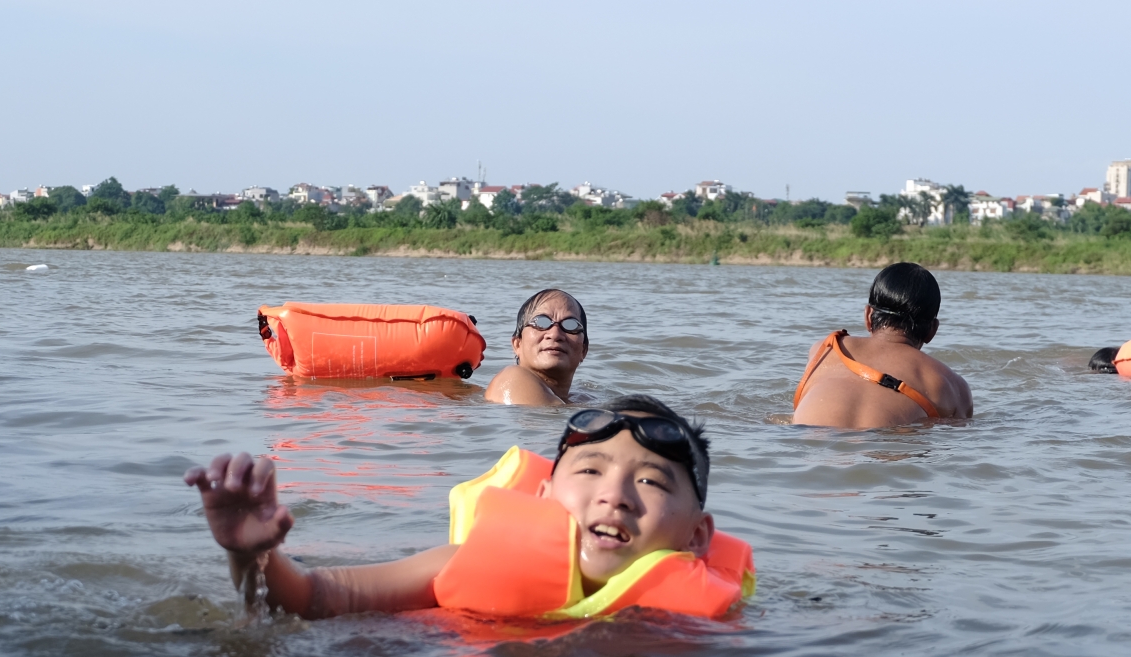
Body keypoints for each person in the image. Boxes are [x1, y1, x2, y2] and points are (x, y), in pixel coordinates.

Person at [184, 394, 751, 620]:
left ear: (698, 537)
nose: (615, 495)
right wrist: (256, 557)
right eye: (590, 470)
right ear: (543, 495)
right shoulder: (458, 563)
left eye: (651, 481)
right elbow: (316, 598)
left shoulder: (719, 623)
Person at [792, 263, 973, 428]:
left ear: (868, 316)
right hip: (889, 456)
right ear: (932, 330)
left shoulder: (823, 350)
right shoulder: (952, 387)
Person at [484, 288, 588, 405]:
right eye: (540, 322)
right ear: (517, 344)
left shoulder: (579, 397)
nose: (555, 334)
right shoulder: (512, 379)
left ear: (584, 350)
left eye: (571, 325)